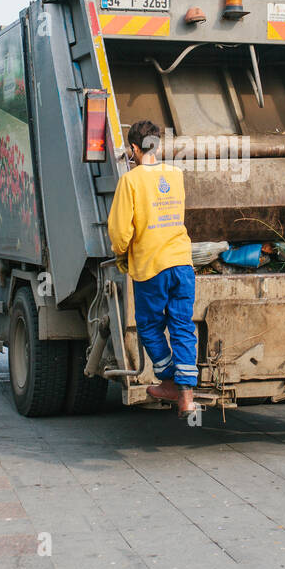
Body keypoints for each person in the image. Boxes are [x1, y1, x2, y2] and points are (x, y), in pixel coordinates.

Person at [107, 119, 197, 415]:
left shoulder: (130, 181)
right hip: (182, 263)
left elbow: (120, 233)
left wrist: (122, 254)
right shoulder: (176, 175)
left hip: (151, 266)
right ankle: (186, 393)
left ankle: (168, 379)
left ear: (134, 148)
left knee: (149, 324)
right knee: (182, 324)